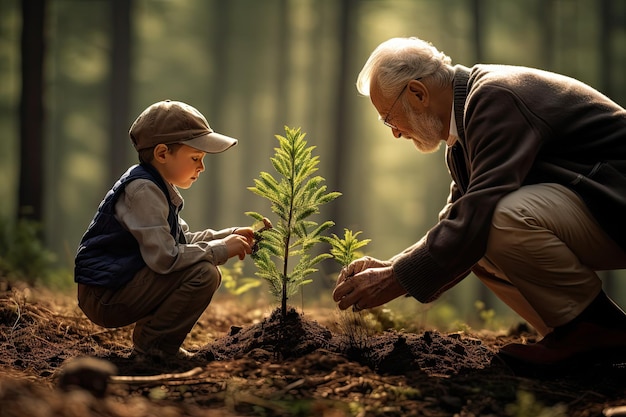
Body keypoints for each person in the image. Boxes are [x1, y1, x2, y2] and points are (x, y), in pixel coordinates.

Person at [332, 37, 626, 366]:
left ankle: (593, 328)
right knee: (475, 245)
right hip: (604, 208)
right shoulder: (464, 132)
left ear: (417, 92)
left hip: (615, 199)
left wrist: (396, 279)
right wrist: (391, 267)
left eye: (389, 117)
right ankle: (580, 336)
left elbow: (480, 211)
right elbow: (456, 222)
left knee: (498, 219)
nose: (395, 133)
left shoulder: (495, 98)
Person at [75, 100, 255, 361]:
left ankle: (153, 344)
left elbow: (180, 241)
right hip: (105, 295)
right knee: (204, 274)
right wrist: (220, 250)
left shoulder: (156, 187)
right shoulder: (144, 191)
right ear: (162, 154)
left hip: (118, 285)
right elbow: (166, 257)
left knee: (200, 266)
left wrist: (227, 234)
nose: (201, 167)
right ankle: (154, 349)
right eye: (196, 158)